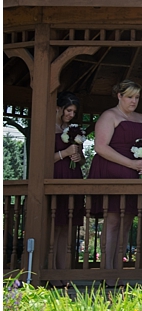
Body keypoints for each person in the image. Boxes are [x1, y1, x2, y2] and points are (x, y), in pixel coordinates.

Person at [87, 80, 142, 278]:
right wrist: (130, 163)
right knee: (113, 219)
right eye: (130, 97)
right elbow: (101, 147)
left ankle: (118, 267)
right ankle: (106, 269)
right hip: (113, 171)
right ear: (119, 96)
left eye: (137, 98)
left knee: (127, 221)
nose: (134, 101)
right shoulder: (109, 116)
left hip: (137, 173)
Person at [51, 91, 86, 287]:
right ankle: (52, 272)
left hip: (73, 176)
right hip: (56, 177)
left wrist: (78, 157)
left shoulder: (74, 130)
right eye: (68, 110)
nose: (71, 115)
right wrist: (64, 153)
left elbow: (83, 160)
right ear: (58, 108)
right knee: (55, 227)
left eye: (74, 111)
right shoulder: (48, 128)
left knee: (68, 228)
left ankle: (64, 273)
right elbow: (42, 159)